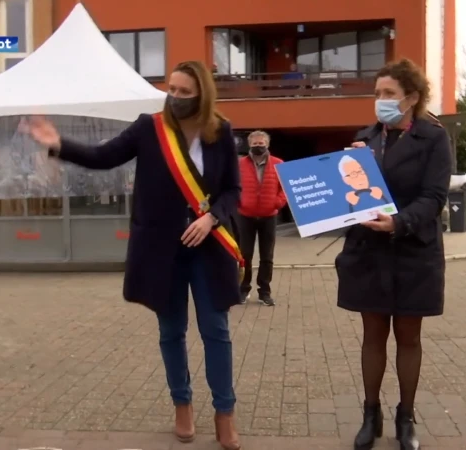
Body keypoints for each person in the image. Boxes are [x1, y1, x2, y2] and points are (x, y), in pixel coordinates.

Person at [20, 60, 242, 450]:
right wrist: (57, 144)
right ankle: (182, 404)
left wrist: (211, 220)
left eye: (184, 92)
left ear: (202, 94)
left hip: (208, 248)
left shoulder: (220, 131)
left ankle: (225, 413)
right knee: (171, 332)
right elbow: (103, 157)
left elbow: (231, 192)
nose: (175, 97)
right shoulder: (149, 127)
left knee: (216, 331)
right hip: (161, 251)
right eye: (171, 89)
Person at [335, 58, 451, 450]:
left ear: (411, 98)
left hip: (413, 251)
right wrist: (346, 167)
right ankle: (371, 414)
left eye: (389, 94)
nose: (380, 101)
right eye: (377, 94)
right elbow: (350, 197)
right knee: (372, 336)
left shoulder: (434, 138)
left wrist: (399, 222)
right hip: (369, 252)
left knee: (408, 337)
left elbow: (434, 197)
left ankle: (406, 416)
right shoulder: (364, 139)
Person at [237, 130, 286, 306]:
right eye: (255, 144)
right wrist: (238, 203)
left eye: (261, 143)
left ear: (267, 144)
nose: (258, 146)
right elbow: (232, 186)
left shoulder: (278, 164)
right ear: (249, 145)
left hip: (268, 216)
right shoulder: (239, 164)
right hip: (245, 216)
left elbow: (285, 188)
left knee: (267, 256)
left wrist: (277, 203)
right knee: (245, 255)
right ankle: (243, 290)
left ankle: (264, 291)